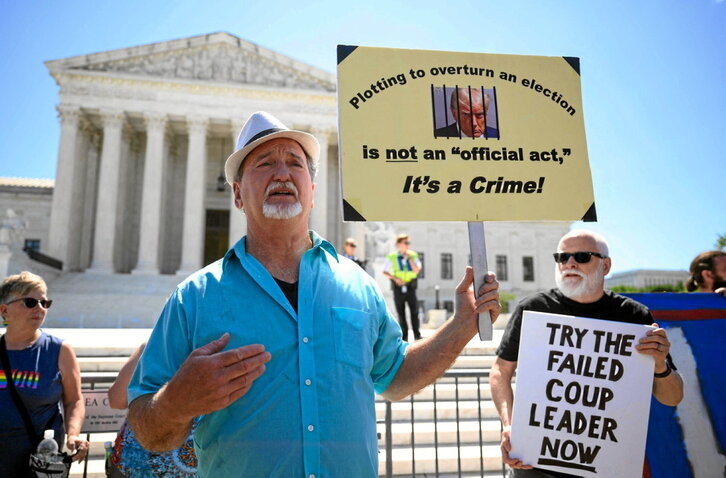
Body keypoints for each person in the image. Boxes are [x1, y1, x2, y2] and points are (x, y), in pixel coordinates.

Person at [126, 111, 501, 477]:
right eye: (264, 163)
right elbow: (146, 429)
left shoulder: (358, 285)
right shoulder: (193, 298)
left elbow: (396, 377)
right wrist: (175, 403)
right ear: (238, 194)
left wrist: (461, 326)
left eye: (295, 163)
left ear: (312, 192)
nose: (283, 172)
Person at [490, 230, 684, 477]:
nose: (569, 263)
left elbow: (673, 398)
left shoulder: (634, 317)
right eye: (562, 257)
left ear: (606, 265)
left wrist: (659, 365)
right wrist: (509, 425)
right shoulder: (533, 309)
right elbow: (500, 371)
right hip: (535, 465)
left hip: (604, 465)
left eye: (582, 256)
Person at [0, 271, 88, 476]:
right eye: (30, 302)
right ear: (4, 310)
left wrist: (73, 434)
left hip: (40, 462)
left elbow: (74, 399)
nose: (39, 309)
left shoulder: (59, 349)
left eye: (44, 303)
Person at [106, 343, 198, 477]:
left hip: (135, 464)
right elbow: (117, 399)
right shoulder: (153, 345)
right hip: (137, 464)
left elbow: (116, 400)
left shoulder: (154, 345)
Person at [383, 233, 423, 341]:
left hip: (410, 286)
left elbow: (417, 270)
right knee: (401, 313)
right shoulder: (392, 256)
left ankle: (417, 335)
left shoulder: (413, 255)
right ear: (399, 244)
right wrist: (395, 279)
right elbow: (384, 271)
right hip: (398, 287)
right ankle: (404, 337)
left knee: (414, 311)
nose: (408, 245)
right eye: (406, 243)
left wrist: (409, 259)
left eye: (408, 243)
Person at [435, 87, 499, 139]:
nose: (474, 123)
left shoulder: (497, 135)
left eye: (479, 115)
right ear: (454, 114)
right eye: (466, 115)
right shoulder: (438, 135)